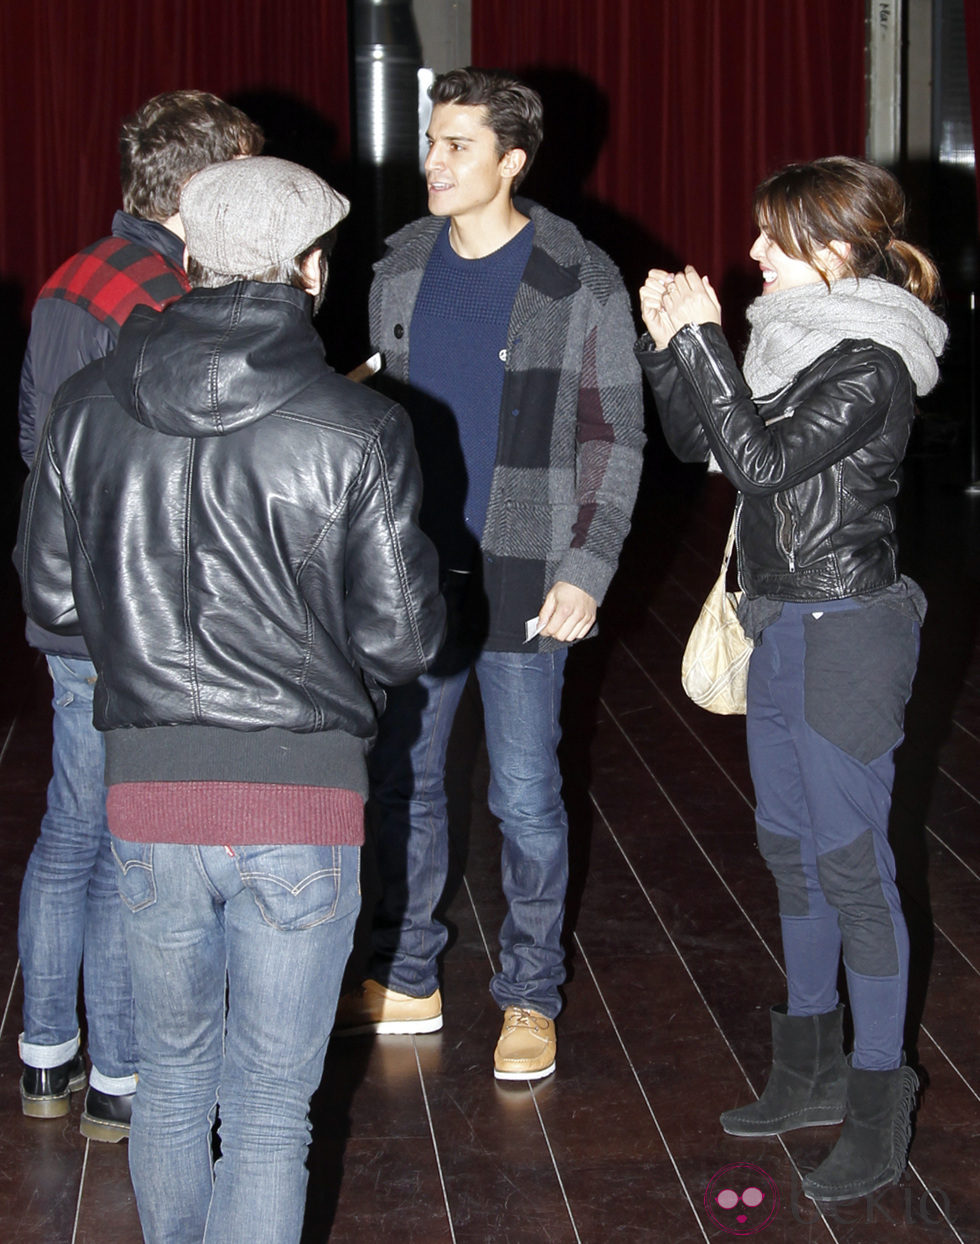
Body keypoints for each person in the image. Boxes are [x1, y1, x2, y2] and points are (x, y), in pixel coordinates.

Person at [16, 154, 445, 1243]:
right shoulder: (361, 428)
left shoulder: (85, 404)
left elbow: (54, 606)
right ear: (308, 270)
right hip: (300, 802)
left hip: (150, 792)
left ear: (190, 257)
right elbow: (404, 638)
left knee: (169, 1076)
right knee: (265, 1109)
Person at [636, 156, 946, 1203]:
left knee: (852, 865)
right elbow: (699, 439)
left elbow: (762, 465)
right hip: (776, 619)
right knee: (789, 849)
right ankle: (806, 1068)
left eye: (773, 238)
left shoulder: (869, 362)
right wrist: (669, 344)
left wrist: (701, 343)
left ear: (832, 248)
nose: (753, 252)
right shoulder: (780, 344)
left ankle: (876, 1097)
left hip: (847, 627)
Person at [334, 67, 645, 1081]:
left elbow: (614, 435)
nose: (432, 159)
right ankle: (410, 972)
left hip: (525, 568)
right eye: (432, 139)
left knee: (522, 794)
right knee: (405, 782)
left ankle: (527, 992)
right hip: (409, 567)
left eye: (457, 144)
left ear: (511, 161)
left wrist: (588, 565)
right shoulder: (398, 266)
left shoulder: (575, 275)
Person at [16, 89, 263, 1141]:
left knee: (66, 832)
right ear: (205, 186)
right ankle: (120, 1075)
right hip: (132, 610)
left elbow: (40, 444)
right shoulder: (165, 298)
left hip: (60, 593)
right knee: (126, 839)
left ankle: (42, 1057)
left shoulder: (69, 278)